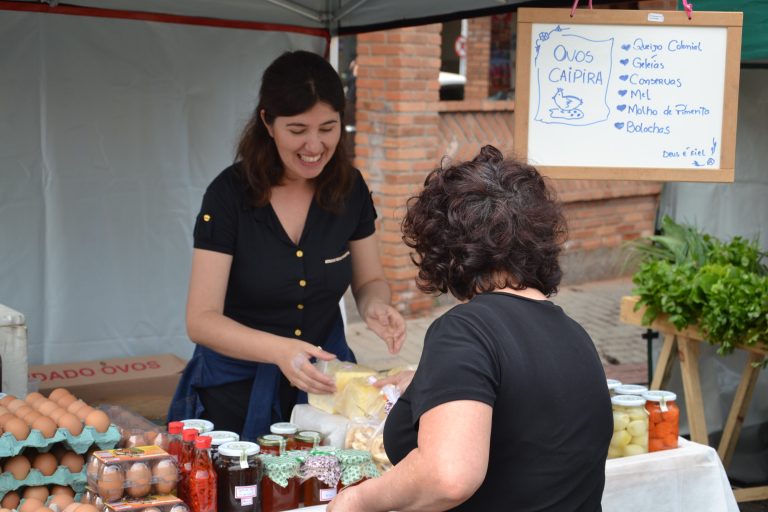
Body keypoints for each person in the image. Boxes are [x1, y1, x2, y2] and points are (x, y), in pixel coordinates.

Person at [329, 145, 612, 511]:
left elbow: (448, 475)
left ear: (444, 248)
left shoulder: (465, 330)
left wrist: (358, 500)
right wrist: (425, 380)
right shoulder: (574, 334)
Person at [168, 50, 406, 441]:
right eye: (297, 130)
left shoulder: (350, 188)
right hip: (235, 391)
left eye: (328, 128)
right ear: (267, 122)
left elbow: (370, 280)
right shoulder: (229, 196)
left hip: (324, 392)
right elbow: (201, 319)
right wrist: (279, 351)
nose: (314, 145)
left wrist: (375, 304)